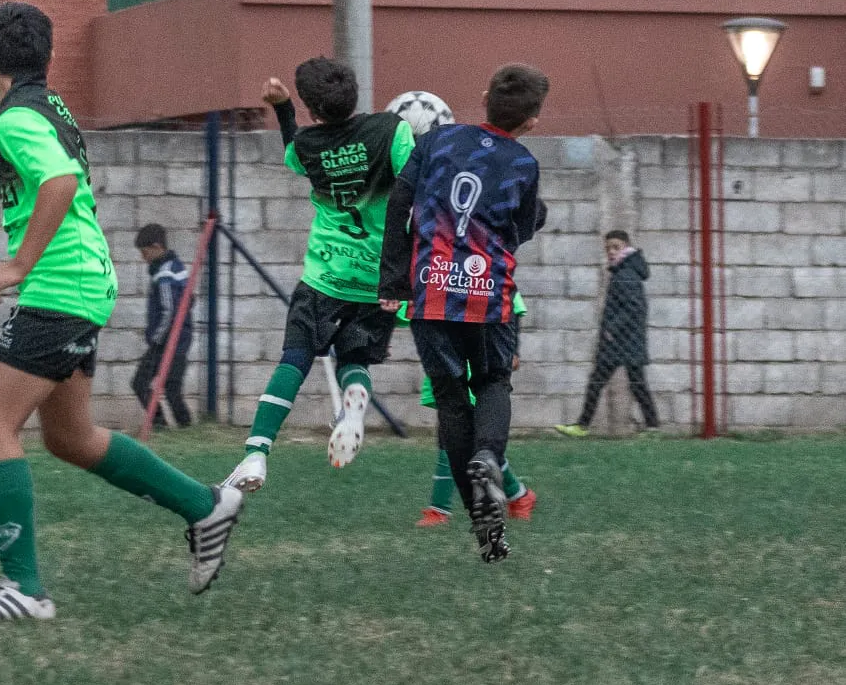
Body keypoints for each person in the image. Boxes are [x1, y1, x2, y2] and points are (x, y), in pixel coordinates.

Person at [0, 2, 242, 622]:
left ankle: (24, 590)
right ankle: (205, 505)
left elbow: (58, 184)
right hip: (85, 283)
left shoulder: (14, 118)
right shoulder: (50, 106)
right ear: (46, 59)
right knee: (70, 438)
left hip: (59, 288)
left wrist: (17, 266)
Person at [378, 63, 550, 563]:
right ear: (533, 121)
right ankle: (487, 458)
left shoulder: (437, 141)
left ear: (483, 96)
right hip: (488, 295)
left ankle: (483, 523)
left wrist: (393, 279)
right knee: (494, 382)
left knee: (453, 403)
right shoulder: (523, 163)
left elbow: (399, 203)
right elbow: (521, 230)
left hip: (430, 292)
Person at [222, 57, 415, 492]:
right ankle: (355, 400)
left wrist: (284, 108)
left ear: (312, 111)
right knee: (355, 359)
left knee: (295, 358)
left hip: (325, 276)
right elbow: (414, 185)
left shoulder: (308, 147)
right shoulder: (392, 130)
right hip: (377, 280)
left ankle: (256, 453)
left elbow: (292, 148)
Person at [416, 290, 537, 527]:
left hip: (475, 361)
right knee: (464, 437)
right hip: (449, 353)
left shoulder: (490, 266)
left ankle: (439, 509)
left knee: (469, 437)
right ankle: (520, 496)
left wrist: (514, 349)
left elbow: (512, 302)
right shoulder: (437, 266)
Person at [555, 230, 659, 437]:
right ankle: (652, 426)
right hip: (625, 341)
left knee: (602, 382)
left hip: (621, 341)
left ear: (626, 247)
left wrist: (612, 328)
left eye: (615, 247)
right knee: (634, 383)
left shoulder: (626, 274)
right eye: (608, 248)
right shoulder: (624, 271)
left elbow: (634, 307)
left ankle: (582, 426)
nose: (611, 252)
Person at [131, 223, 193, 429]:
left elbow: (169, 311)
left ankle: (172, 425)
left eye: (144, 252)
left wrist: (156, 339)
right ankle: (165, 424)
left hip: (169, 341)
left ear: (157, 247)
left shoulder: (165, 274)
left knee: (145, 383)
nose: (143, 257)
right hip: (178, 339)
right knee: (166, 386)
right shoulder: (176, 267)